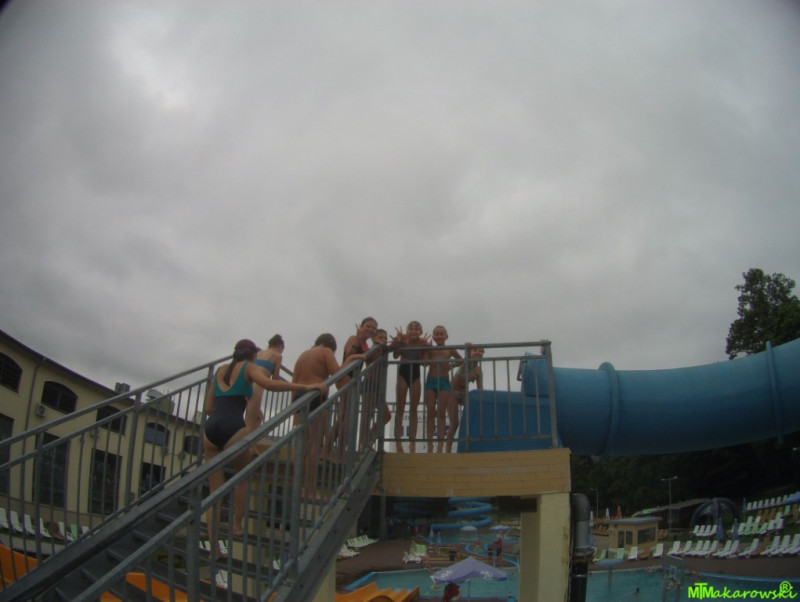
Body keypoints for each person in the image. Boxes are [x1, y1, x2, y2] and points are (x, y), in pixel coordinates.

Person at [203, 339, 327, 547]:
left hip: (210, 430)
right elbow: (269, 384)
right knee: (243, 477)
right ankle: (236, 526)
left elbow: (208, 408)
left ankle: (214, 548)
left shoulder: (220, 370)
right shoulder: (249, 367)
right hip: (232, 428)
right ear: (253, 355)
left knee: (214, 494)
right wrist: (305, 386)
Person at [292, 334, 365, 497]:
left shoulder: (303, 355)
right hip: (315, 396)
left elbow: (294, 381)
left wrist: (294, 412)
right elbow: (338, 377)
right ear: (332, 346)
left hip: (299, 397)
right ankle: (309, 490)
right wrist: (350, 360)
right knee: (315, 445)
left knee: (303, 446)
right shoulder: (326, 352)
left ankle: (299, 487)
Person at [423, 326, 463, 453]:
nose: (439, 336)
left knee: (441, 413)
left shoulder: (450, 349)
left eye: (441, 334)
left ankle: (440, 445)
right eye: (436, 334)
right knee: (430, 413)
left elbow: (460, 359)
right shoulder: (431, 349)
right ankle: (430, 445)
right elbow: (424, 363)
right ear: (433, 336)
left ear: (446, 336)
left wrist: (451, 365)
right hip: (431, 381)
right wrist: (426, 350)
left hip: (444, 382)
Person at [392, 321, 430, 452]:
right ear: (407, 331)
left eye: (416, 329)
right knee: (400, 408)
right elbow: (395, 355)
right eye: (411, 329)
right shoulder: (403, 340)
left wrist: (425, 348)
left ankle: (412, 442)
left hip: (416, 374)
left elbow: (424, 363)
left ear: (420, 332)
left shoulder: (422, 342)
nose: (414, 331)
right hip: (403, 373)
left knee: (414, 410)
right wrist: (398, 343)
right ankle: (398, 442)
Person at [449, 345, 484, 451]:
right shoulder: (466, 363)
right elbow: (468, 349)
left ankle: (469, 445)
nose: (478, 352)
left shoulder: (478, 371)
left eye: (481, 351)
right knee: (455, 423)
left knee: (471, 419)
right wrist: (469, 347)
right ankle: (447, 449)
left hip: (464, 394)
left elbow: (480, 390)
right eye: (475, 350)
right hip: (452, 393)